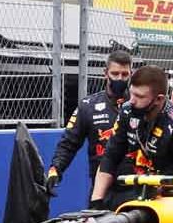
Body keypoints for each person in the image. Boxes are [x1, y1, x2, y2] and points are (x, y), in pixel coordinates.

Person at [92, 64, 173, 202]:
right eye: (131, 93)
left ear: (159, 99)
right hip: (141, 193)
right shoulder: (127, 111)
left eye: (139, 96)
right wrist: (96, 202)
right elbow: (110, 157)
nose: (131, 100)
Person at [48, 49, 133, 195]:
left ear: (131, 74)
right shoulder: (88, 105)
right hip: (101, 189)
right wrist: (55, 169)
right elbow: (69, 143)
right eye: (115, 74)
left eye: (124, 74)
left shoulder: (139, 103)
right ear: (105, 73)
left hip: (134, 186)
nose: (120, 78)